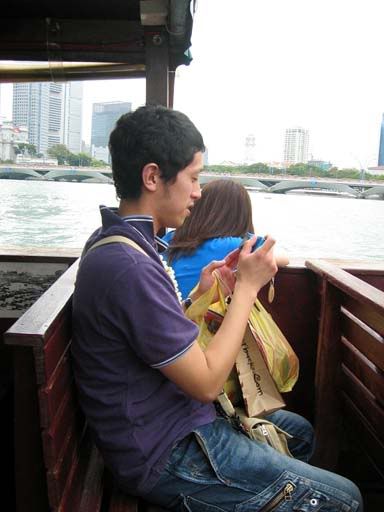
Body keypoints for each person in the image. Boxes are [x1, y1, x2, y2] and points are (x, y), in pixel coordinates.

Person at [71, 105, 363, 512]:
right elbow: (207, 383)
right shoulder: (129, 264)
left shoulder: (128, 246)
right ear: (153, 176)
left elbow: (148, 339)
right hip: (166, 451)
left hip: (170, 423)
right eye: (192, 177)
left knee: (300, 434)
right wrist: (245, 287)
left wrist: (197, 297)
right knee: (346, 499)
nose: (198, 191)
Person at [163, 178, 289, 300]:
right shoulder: (236, 246)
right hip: (199, 318)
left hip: (167, 312)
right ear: (242, 215)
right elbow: (284, 259)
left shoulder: (171, 239)